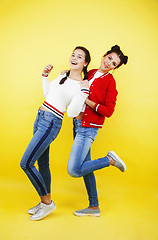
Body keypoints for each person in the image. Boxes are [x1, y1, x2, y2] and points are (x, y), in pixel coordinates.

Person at [20, 46, 91, 220]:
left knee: (26, 163)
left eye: (79, 56)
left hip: (51, 122)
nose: (74, 58)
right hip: (41, 116)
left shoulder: (81, 85)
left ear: (85, 63)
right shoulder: (62, 75)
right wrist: (45, 77)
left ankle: (47, 203)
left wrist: (84, 93)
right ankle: (45, 201)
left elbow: (72, 113)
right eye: (73, 54)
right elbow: (48, 95)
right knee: (43, 164)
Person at [67, 45, 128, 217]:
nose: (109, 63)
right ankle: (94, 207)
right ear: (104, 55)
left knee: (74, 169)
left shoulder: (110, 82)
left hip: (88, 128)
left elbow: (108, 111)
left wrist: (88, 101)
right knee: (86, 168)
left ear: (115, 68)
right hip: (77, 124)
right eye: (109, 58)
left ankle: (109, 160)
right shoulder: (91, 72)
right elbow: (76, 83)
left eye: (114, 63)